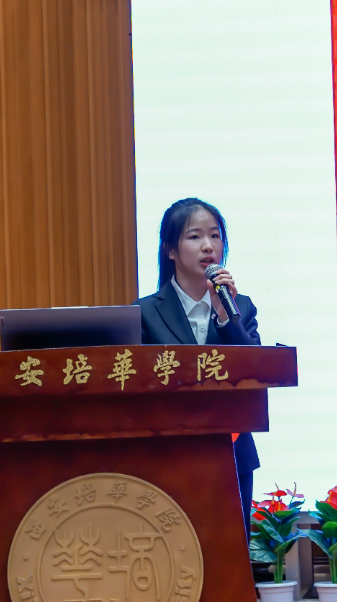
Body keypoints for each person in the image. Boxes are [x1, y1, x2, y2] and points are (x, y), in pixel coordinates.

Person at [133, 197, 260, 539]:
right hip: (167, 457)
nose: (208, 246)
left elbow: (254, 369)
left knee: (231, 555)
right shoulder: (144, 313)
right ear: (170, 250)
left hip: (232, 453)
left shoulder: (241, 308)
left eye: (215, 235)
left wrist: (225, 315)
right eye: (195, 236)